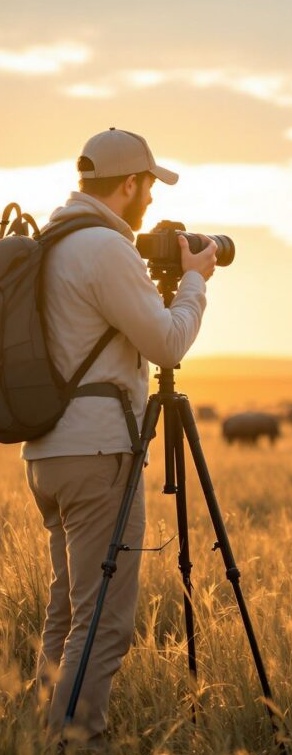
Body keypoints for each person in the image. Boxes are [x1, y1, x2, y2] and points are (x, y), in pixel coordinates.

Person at [22, 128, 217, 749]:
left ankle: (40, 733)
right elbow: (166, 342)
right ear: (129, 184)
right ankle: (78, 740)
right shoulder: (106, 248)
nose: (152, 203)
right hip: (100, 452)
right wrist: (193, 282)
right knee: (104, 620)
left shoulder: (53, 243)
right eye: (149, 187)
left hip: (49, 453)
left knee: (67, 610)